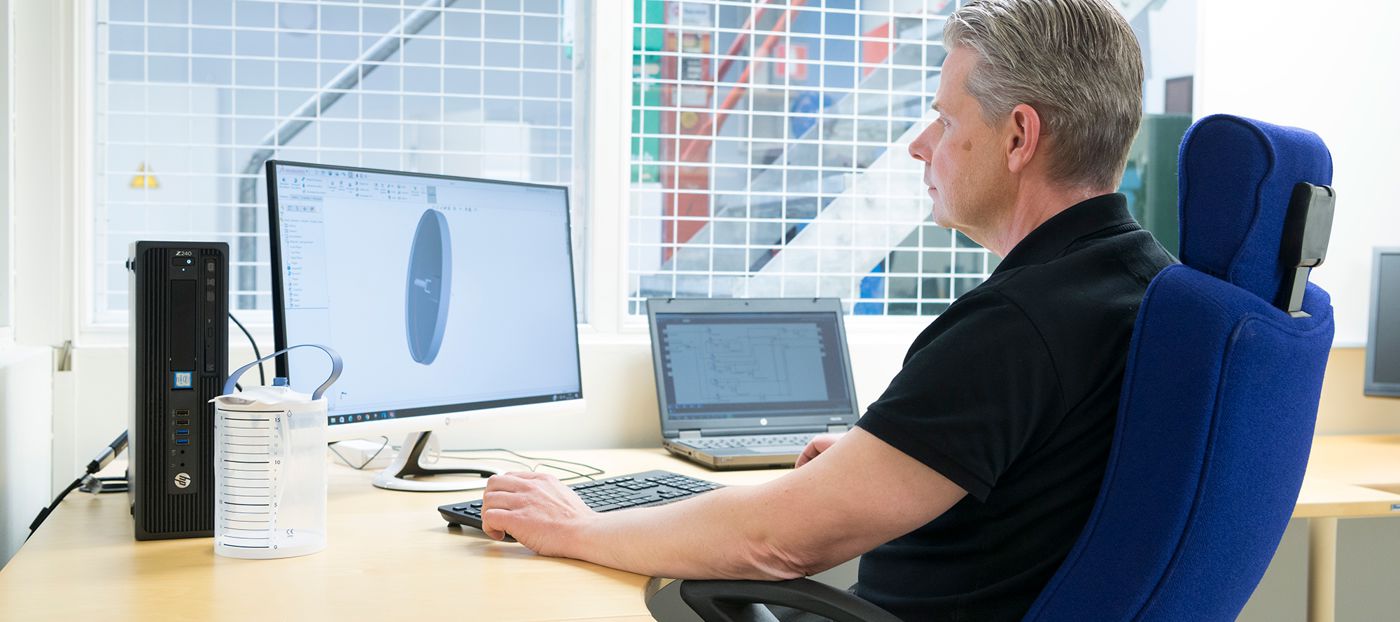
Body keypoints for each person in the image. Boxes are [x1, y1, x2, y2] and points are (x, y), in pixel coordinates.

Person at [479, 0, 1175, 619]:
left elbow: (772, 546)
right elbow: (1055, 470)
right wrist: (894, 460)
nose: (919, 145)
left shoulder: (1017, 324)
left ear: (1019, 137)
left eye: (943, 118)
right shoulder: (1148, 285)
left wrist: (575, 526)